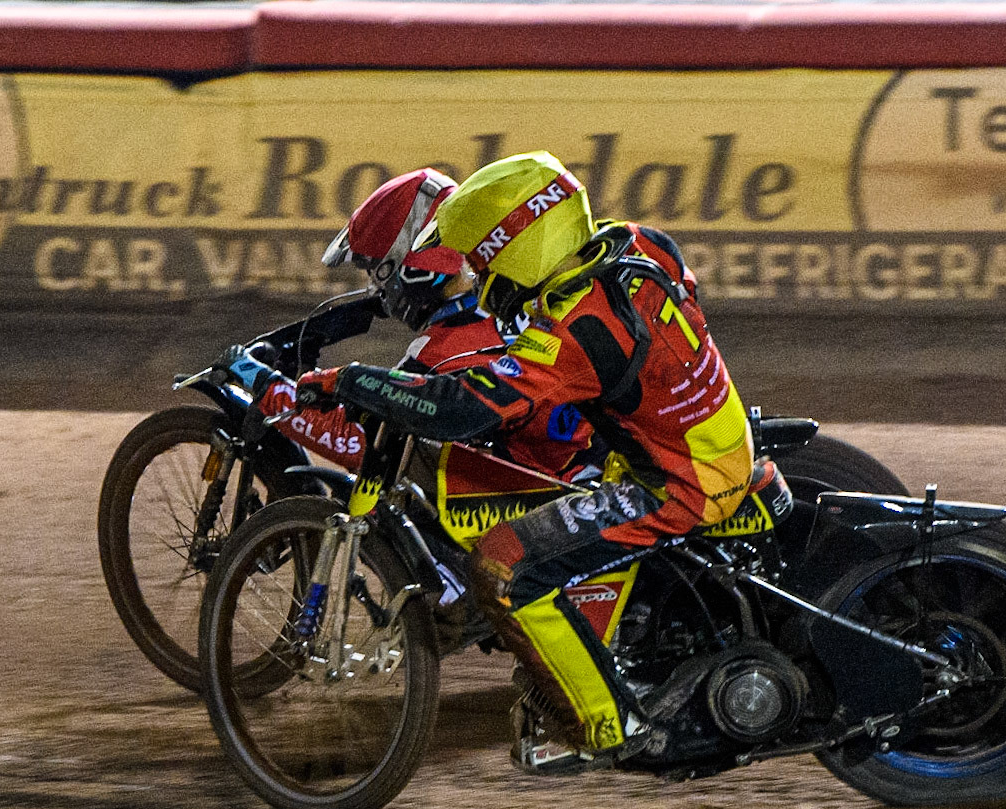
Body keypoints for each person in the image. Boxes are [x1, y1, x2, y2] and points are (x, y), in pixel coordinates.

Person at [297, 151, 755, 770]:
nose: (479, 275)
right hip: (710, 435)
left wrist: (353, 380)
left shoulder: (572, 328)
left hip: (675, 484)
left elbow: (464, 410)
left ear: (515, 248)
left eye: (483, 259)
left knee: (502, 565)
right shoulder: (638, 244)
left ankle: (607, 728)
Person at [238, 167, 593, 479]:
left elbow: (358, 442)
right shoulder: (520, 300)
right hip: (582, 468)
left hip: (538, 494)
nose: (377, 288)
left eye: (378, 272)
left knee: (390, 498)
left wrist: (267, 388)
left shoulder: (442, 348)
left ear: (412, 269)